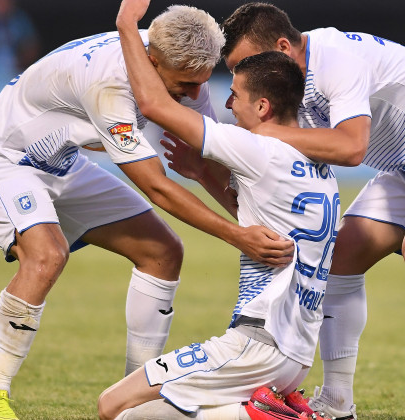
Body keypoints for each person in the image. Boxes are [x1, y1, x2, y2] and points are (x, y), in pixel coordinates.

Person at [0, 4, 294, 420]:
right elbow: (157, 186)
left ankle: (134, 395)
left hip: (61, 162)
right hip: (2, 157)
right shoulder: (110, 84)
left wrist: (262, 220)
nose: (194, 95)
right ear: (151, 61)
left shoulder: (178, 57)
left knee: (163, 252)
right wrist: (238, 236)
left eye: (201, 84)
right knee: (46, 254)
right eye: (186, 85)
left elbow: (214, 161)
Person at [208, 3, 405, 420]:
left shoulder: (336, 61)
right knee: (341, 258)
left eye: (248, 63)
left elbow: (351, 147)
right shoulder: (291, 78)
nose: (246, 76)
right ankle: (337, 401)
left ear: (283, 46)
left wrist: (260, 131)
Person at [96, 1, 340, 419]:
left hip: (256, 344)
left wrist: (126, 25)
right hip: (294, 356)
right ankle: (262, 408)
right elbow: (252, 207)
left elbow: (155, 106)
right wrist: (204, 175)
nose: (227, 106)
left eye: (235, 95)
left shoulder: (258, 148)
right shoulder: (320, 170)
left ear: (263, 107)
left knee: (114, 407)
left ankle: (257, 416)